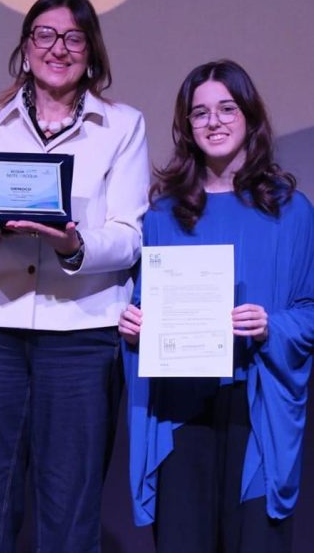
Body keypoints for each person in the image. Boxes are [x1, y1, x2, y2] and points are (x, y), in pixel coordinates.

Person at [0, 0, 149, 551]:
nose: (58, 48)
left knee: (70, 505)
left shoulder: (122, 126)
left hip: (80, 333)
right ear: (26, 48)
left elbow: (129, 237)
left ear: (91, 52)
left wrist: (75, 245)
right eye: (45, 35)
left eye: (74, 38)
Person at [119, 59, 314, 553]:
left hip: (257, 404)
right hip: (182, 407)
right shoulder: (162, 214)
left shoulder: (291, 211)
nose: (214, 122)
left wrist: (271, 326)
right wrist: (134, 325)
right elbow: (145, 305)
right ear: (187, 126)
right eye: (200, 112)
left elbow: (310, 311)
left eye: (227, 108)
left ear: (250, 116)